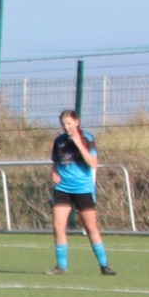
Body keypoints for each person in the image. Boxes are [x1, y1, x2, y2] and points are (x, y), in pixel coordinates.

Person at [48, 110, 115, 277]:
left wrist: (78, 144)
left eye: (69, 123)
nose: (66, 127)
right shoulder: (59, 141)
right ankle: (61, 266)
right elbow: (56, 162)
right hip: (62, 188)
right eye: (63, 124)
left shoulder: (87, 139)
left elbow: (92, 163)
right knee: (58, 225)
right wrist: (54, 172)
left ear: (76, 122)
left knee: (90, 227)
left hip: (82, 189)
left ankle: (104, 265)